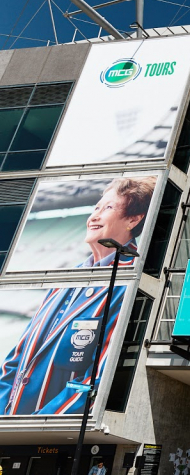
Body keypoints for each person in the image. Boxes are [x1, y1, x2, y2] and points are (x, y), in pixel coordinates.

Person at [0, 177, 154, 416]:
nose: (94, 216)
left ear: (133, 220)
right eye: (96, 208)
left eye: (108, 208)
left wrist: (38, 423)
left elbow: (99, 375)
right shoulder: (67, 277)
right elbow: (16, 360)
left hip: (52, 432)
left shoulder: (129, 279)